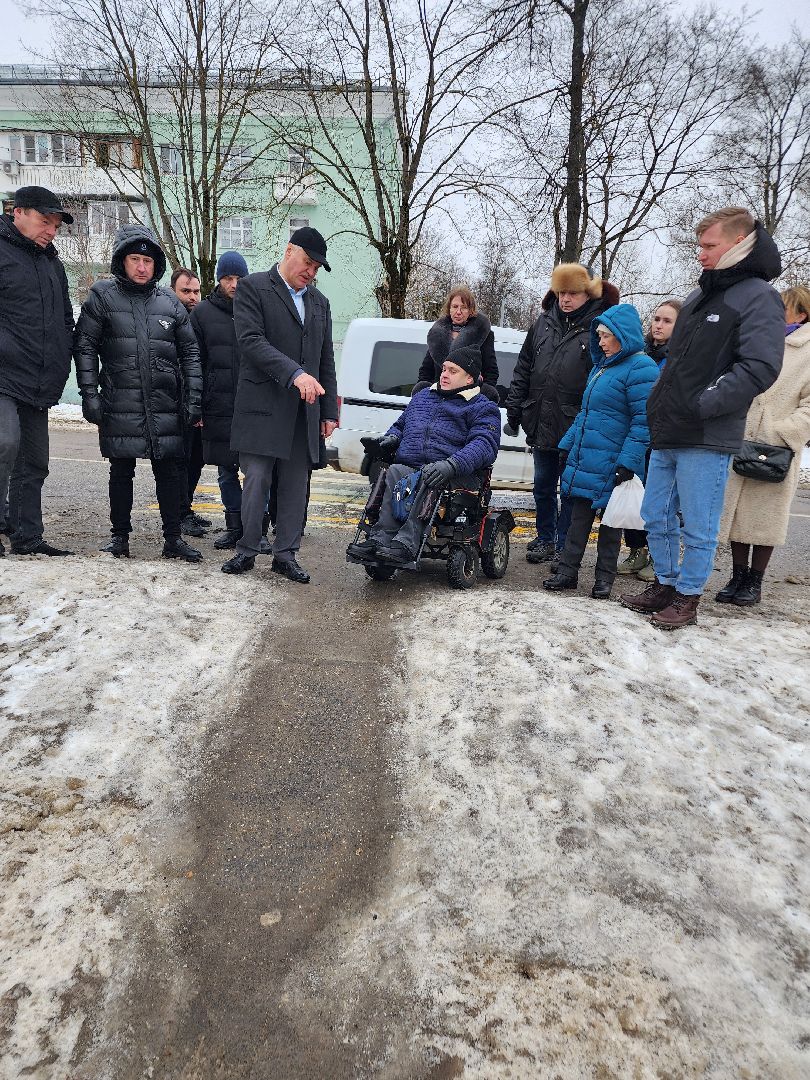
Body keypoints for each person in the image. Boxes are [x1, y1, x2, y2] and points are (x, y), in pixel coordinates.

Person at [620, 207, 785, 629]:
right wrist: (659, 404)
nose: (701, 253)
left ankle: (688, 597)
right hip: (669, 428)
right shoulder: (698, 295)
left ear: (739, 242)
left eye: (709, 245)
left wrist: (704, 403)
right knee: (655, 515)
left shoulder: (759, 296)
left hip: (708, 432)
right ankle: (665, 584)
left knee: (699, 524)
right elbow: (675, 363)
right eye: (700, 246)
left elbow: (760, 367)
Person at [74, 224, 204, 562]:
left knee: (169, 471)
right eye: (135, 259)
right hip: (120, 399)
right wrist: (89, 393)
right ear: (122, 260)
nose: (142, 267)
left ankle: (173, 539)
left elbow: (190, 354)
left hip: (165, 402)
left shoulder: (169, 302)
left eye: (148, 261)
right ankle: (119, 537)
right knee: (121, 470)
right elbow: (85, 346)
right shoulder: (103, 297)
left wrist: (193, 400)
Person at [221, 226, 338, 582]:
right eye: (307, 263)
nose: (310, 272)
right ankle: (247, 549)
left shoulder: (320, 303)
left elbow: (325, 359)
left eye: (316, 268)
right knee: (257, 479)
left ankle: (286, 554)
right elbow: (251, 342)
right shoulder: (253, 288)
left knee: (295, 486)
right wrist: (295, 374)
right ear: (289, 251)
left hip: (304, 411)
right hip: (262, 406)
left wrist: (329, 411)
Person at [503, 263, 619, 565]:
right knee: (543, 486)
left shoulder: (599, 327)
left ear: (588, 294)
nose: (565, 299)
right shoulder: (543, 322)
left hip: (576, 423)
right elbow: (523, 367)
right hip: (541, 419)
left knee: (570, 490)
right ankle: (545, 537)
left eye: (573, 293)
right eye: (561, 292)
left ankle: (565, 544)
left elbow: (604, 376)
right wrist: (514, 409)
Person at [542, 305, 658, 599]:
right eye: (600, 336)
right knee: (578, 519)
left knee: (611, 525)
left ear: (623, 335)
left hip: (615, 461)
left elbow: (644, 422)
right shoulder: (602, 366)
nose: (601, 342)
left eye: (607, 336)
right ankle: (567, 572)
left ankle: (604, 580)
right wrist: (567, 444)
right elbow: (586, 413)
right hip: (588, 458)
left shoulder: (642, 368)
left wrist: (628, 462)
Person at [346, 345, 501, 565]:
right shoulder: (423, 397)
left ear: (469, 378)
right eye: (444, 369)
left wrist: (452, 465)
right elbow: (400, 426)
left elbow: (484, 445)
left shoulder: (483, 407)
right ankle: (381, 539)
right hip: (414, 468)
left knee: (428, 476)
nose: (444, 374)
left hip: (457, 474)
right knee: (394, 471)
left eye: (453, 371)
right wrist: (391, 439)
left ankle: (406, 544)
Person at [715, 285, 810, 605]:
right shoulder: (758, 340)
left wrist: (782, 432)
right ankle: (737, 575)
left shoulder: (807, 351)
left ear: (801, 315)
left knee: (765, 517)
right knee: (738, 513)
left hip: (778, 447)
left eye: (783, 307)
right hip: (742, 438)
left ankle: (754, 581)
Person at [0, 185, 75, 557]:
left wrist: (62, 358)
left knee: (35, 461)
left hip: (38, 377)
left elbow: (65, 319)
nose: (51, 231)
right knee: (4, 443)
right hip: (3, 374)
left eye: (56, 226)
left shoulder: (52, 263)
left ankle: (26, 536)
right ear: (18, 212)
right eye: (45, 221)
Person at [617, 298, 682, 583]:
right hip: (635, 435)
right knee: (632, 495)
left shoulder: (680, 356)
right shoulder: (639, 353)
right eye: (657, 319)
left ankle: (659, 557)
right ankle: (637, 550)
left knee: (659, 502)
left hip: (663, 438)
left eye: (667, 321)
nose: (659, 325)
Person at [190, 251, 249, 549]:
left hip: (252, 406)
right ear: (218, 280)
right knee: (226, 470)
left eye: (239, 278)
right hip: (218, 404)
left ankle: (256, 530)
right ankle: (234, 527)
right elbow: (194, 363)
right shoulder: (202, 314)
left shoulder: (257, 310)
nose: (234, 284)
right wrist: (197, 405)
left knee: (257, 471)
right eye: (228, 278)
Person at [170, 266, 210, 539]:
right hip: (174, 404)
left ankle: (186, 509)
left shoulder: (199, 320)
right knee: (180, 461)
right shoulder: (167, 319)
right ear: (173, 291)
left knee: (196, 458)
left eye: (196, 291)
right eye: (186, 291)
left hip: (197, 403)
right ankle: (179, 513)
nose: (193, 297)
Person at [412, 287, 499, 401]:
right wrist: (424, 397)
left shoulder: (482, 334)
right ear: (449, 308)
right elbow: (426, 371)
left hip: (467, 402)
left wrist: (480, 399)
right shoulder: (437, 334)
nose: (458, 312)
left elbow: (491, 372)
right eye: (455, 306)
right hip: (438, 400)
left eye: (464, 307)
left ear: (471, 310)